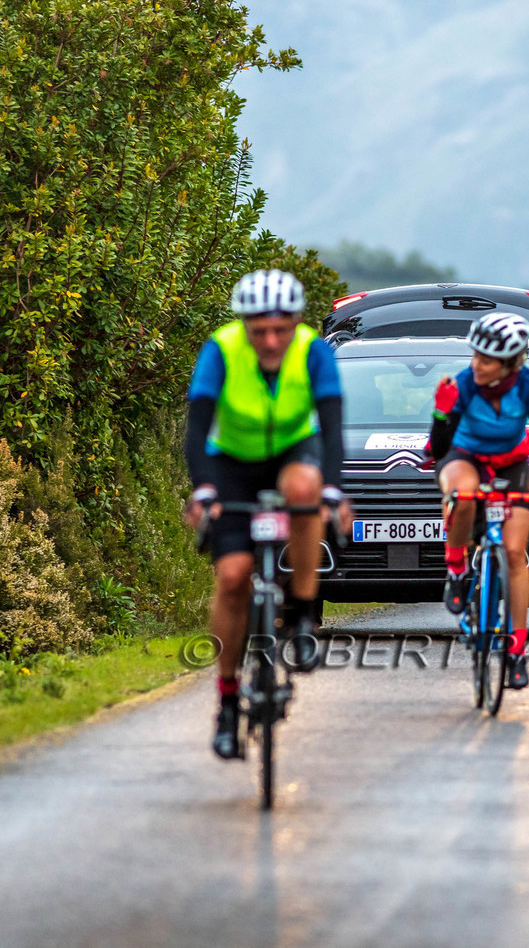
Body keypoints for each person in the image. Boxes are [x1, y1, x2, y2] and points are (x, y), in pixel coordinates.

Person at [184, 269, 353, 761]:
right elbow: (196, 431)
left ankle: (301, 615)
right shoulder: (221, 349)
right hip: (231, 461)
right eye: (260, 332)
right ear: (245, 327)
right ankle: (227, 699)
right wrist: (205, 490)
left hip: (291, 452)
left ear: (296, 322)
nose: (271, 340)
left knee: (306, 488)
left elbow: (334, 427)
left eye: (281, 329)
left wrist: (335, 490)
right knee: (233, 577)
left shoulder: (313, 350)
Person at [429, 312, 529, 691]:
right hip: (465, 456)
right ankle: (456, 570)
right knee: (463, 498)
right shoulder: (465, 383)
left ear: (511, 363)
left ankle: (516, 651)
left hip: (512, 462)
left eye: (486, 359)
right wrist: (440, 412)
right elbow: (439, 449)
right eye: (475, 355)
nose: (476, 364)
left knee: (516, 554)